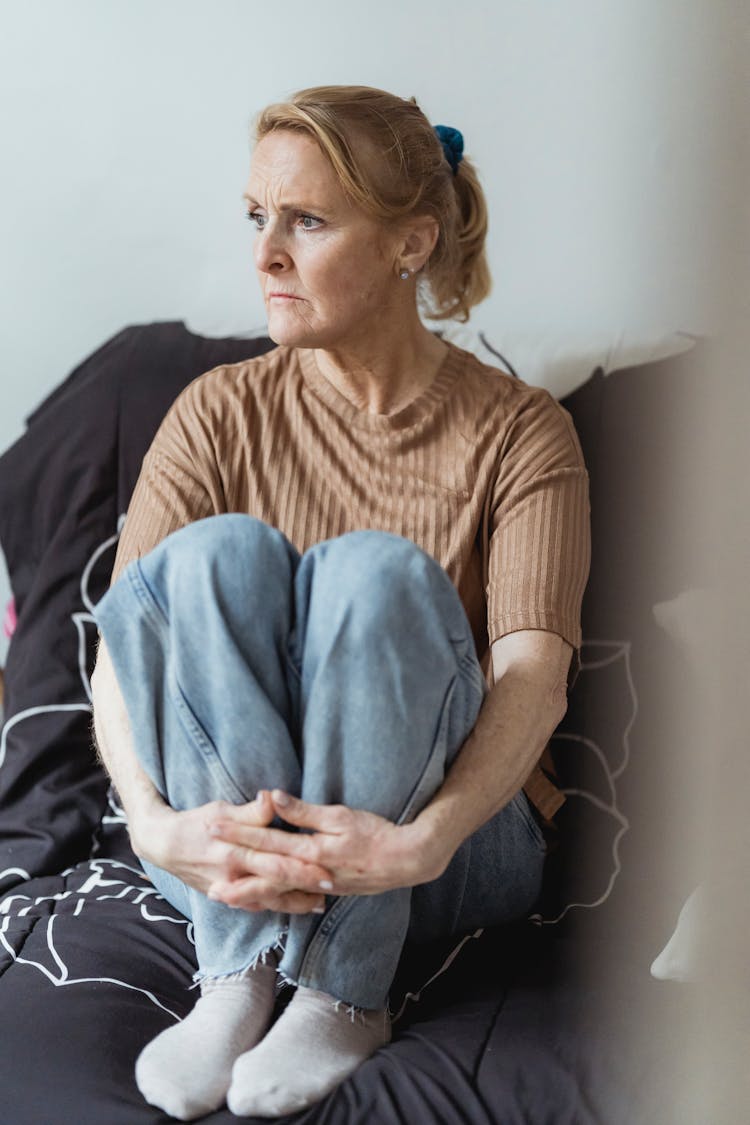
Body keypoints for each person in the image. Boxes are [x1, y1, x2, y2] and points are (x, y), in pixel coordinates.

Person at [90, 84, 590, 1120]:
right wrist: (150, 827)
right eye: (256, 218)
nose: (266, 253)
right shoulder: (216, 411)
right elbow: (124, 650)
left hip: (450, 852)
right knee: (208, 557)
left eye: (307, 221)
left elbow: (535, 671)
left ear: (411, 244)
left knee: (372, 573)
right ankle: (238, 978)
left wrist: (422, 841)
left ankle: (339, 988)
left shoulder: (520, 431)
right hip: (231, 851)